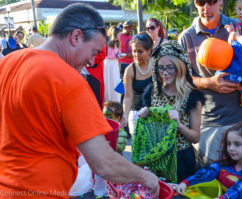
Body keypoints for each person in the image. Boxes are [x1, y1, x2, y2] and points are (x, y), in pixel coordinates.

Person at [0, 3, 159, 198]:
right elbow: (104, 163)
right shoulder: (68, 79)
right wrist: (146, 177)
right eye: (93, 52)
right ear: (75, 37)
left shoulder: (6, 63)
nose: (92, 62)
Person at [178, 0, 242, 166]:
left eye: (211, 1)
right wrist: (209, 83)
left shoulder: (240, 26)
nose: (206, 7)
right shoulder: (186, 37)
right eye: (200, 2)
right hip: (210, 123)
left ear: (220, 1)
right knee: (210, 181)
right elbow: (181, 79)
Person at [138, 41, 204, 182]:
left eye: (170, 68)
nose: (165, 73)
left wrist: (179, 125)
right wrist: (144, 115)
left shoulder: (192, 97)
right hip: (156, 156)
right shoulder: (152, 93)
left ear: (180, 67)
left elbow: (196, 137)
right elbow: (151, 130)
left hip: (181, 159)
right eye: (161, 68)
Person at [176, 123, 242, 199]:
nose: (231, 148)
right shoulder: (225, 164)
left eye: (237, 144)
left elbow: (238, 191)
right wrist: (186, 182)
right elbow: (207, 172)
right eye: (229, 144)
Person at [120, 32, 153, 135]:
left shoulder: (157, 66)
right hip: (136, 114)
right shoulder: (130, 70)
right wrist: (125, 115)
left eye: (140, 51)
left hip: (154, 112)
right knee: (138, 147)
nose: (136, 55)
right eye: (134, 51)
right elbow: (128, 97)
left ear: (149, 51)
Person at [104, 25, 122, 102]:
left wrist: (119, 55)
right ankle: (108, 100)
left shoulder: (118, 43)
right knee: (107, 82)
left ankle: (116, 100)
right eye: (119, 35)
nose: (120, 36)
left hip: (114, 63)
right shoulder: (107, 43)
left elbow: (118, 54)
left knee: (115, 81)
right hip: (107, 63)